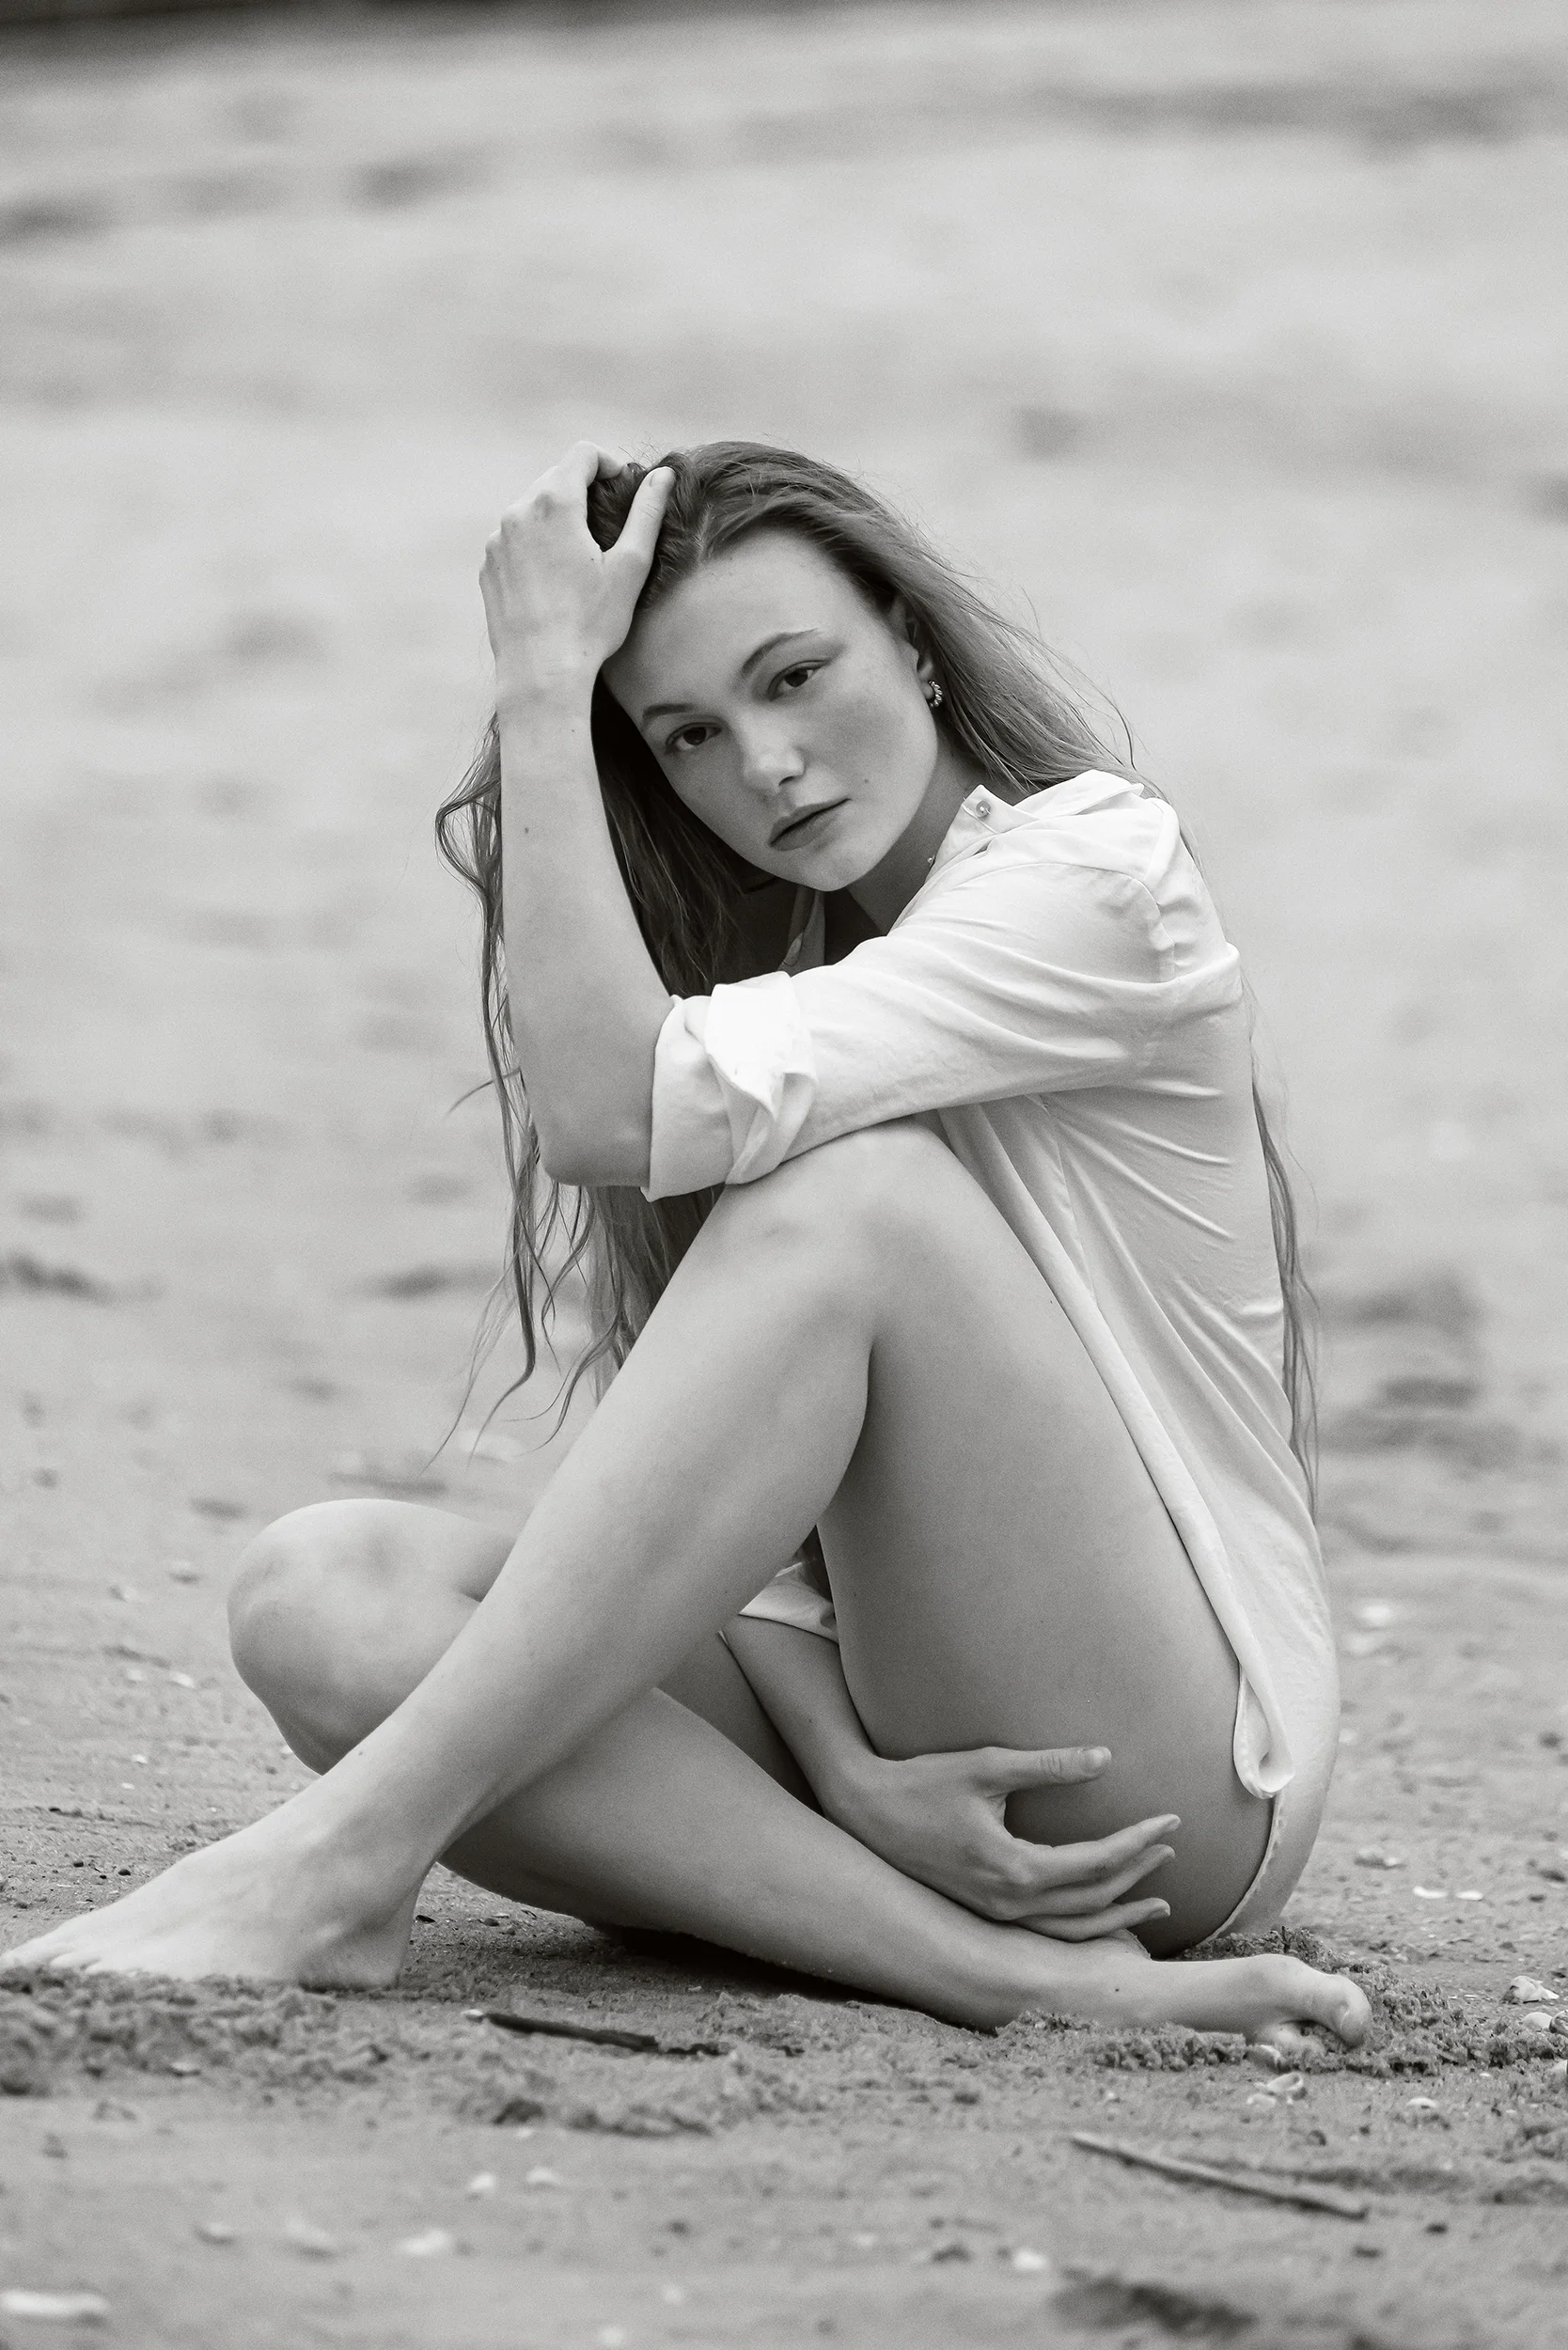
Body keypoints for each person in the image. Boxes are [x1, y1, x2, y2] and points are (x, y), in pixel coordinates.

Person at [4, 441, 1369, 2053]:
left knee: (855, 1202)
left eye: (796, 677)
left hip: (1158, 1777)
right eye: (689, 737)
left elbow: (604, 1107)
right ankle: (1001, 1974)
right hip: (894, 1739)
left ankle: (338, 1865)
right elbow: (753, 1510)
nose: (768, 766)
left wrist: (538, 691)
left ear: (913, 642)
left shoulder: (1093, 876)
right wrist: (837, 1759)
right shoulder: (788, 970)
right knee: (320, 1595)